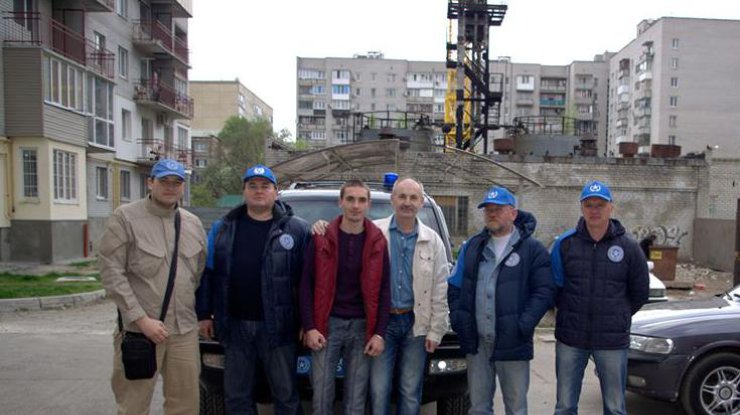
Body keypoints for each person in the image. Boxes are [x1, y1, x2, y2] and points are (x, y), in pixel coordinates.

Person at [195, 164, 309, 415]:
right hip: (235, 326)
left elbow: (306, 281)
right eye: (253, 186)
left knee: (286, 395)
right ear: (244, 191)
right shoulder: (223, 227)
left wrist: (307, 321)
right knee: (236, 397)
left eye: (265, 186)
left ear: (275, 192)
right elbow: (209, 273)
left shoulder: (297, 229)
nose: (259, 191)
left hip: (279, 327)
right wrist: (204, 314)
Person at [99, 158, 207, 415]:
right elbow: (112, 273)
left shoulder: (192, 223)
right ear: (150, 182)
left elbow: (198, 273)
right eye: (164, 181)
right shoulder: (125, 218)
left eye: (176, 182)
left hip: (184, 331)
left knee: (186, 405)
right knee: (133, 406)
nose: (170, 187)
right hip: (140, 332)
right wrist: (141, 319)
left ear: (183, 186)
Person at [447, 186, 555, 415]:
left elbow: (544, 291)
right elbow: (454, 286)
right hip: (477, 343)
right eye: (488, 210)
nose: (492, 214)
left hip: (513, 342)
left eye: (498, 209)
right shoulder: (472, 247)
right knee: (478, 407)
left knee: (516, 407)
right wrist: (460, 319)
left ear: (513, 213)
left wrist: (523, 325)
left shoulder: (532, 250)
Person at [551, 180, 649, 415]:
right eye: (589, 205)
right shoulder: (564, 244)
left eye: (600, 205)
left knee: (615, 407)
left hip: (612, 340)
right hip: (571, 338)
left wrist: (619, 314)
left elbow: (640, 292)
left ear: (610, 208)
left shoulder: (629, 247)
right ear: (582, 208)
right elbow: (554, 287)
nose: (594, 210)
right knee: (564, 406)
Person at [300, 179, 391, 415]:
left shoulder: (378, 242)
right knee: (321, 396)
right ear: (341, 202)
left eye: (361, 200)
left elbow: (384, 290)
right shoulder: (321, 238)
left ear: (368, 204)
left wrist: (379, 332)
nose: (355, 205)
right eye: (350, 199)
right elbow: (306, 286)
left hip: (362, 328)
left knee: (355, 399)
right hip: (326, 326)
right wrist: (310, 327)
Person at [369, 178, 449, 415]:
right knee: (378, 390)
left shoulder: (433, 240)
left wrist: (436, 330)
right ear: (393, 200)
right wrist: (319, 226)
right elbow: (345, 237)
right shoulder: (375, 232)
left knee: (410, 390)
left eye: (413, 198)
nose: (407, 202)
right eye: (402, 196)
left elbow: (440, 287)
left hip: (416, 325)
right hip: (381, 325)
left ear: (421, 202)